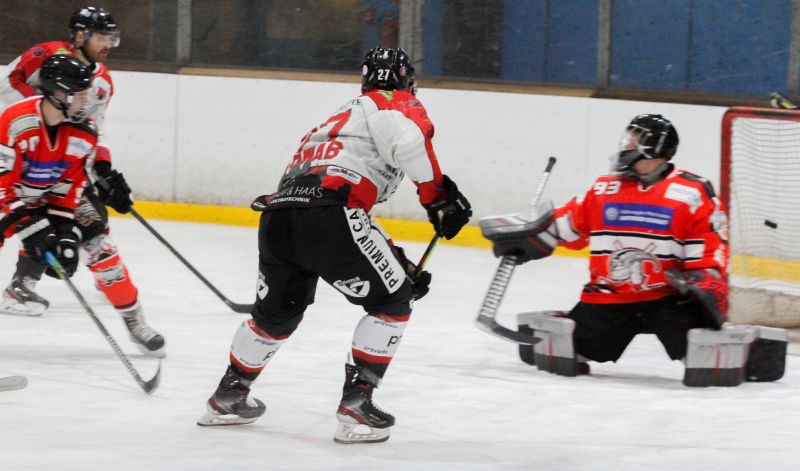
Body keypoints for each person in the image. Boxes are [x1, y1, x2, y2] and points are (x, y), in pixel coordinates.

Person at [197, 46, 472, 444]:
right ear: (405, 80)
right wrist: (439, 198)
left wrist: (395, 261)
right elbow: (409, 144)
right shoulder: (395, 102)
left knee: (274, 318)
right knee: (392, 302)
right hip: (329, 214)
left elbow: (329, 198)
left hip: (280, 216)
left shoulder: (334, 120)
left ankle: (228, 396)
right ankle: (357, 407)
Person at [486, 114, 730, 374]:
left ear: (654, 148)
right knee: (563, 354)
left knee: (707, 358)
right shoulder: (605, 190)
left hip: (669, 299)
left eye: (634, 141)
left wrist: (701, 278)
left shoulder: (693, 193)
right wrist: (528, 235)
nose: (626, 146)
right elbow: (568, 222)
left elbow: (708, 245)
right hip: (609, 298)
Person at [0, 6, 165, 357]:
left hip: (55, 167)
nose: (108, 44)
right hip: (16, 163)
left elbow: (83, 155)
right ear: (79, 35)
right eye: (102, 36)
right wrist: (29, 224)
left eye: (110, 37)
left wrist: (101, 173)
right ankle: (22, 282)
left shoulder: (94, 97)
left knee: (97, 240)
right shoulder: (43, 60)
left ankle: (134, 320)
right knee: (21, 224)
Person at [0, 56, 96, 300]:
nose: (86, 101)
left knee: (46, 231)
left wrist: (65, 230)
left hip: (26, 193)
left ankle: (21, 287)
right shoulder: (18, 122)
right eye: (80, 94)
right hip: (6, 191)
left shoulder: (79, 131)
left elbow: (66, 188)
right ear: (59, 94)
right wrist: (24, 221)